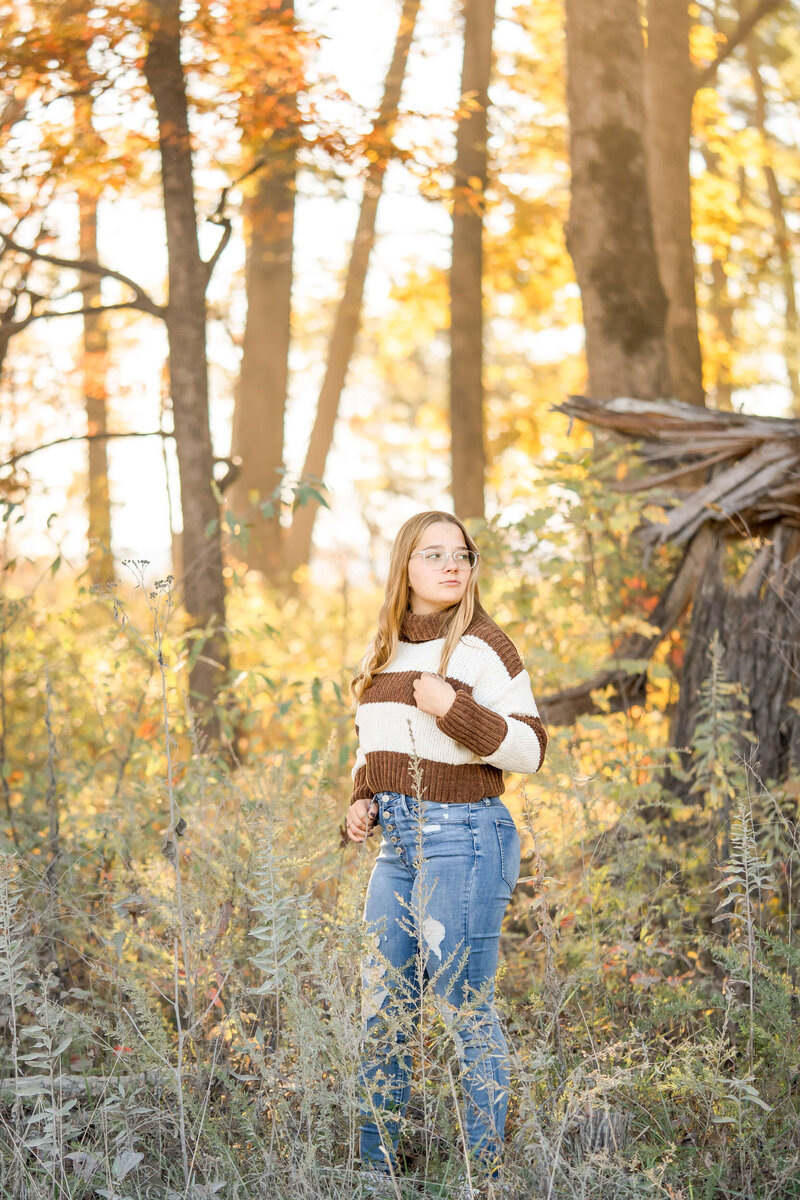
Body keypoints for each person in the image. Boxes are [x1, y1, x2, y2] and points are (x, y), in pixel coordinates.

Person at [346, 511, 547, 1198]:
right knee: (383, 1007)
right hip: (396, 848)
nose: (452, 565)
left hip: (464, 837)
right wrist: (360, 795)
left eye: (461, 553)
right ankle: (376, 1172)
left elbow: (531, 748)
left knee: (464, 1009)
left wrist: (450, 707)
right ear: (405, 564)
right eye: (433, 554)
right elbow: (372, 740)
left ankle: (482, 1176)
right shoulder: (384, 649)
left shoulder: (484, 648)